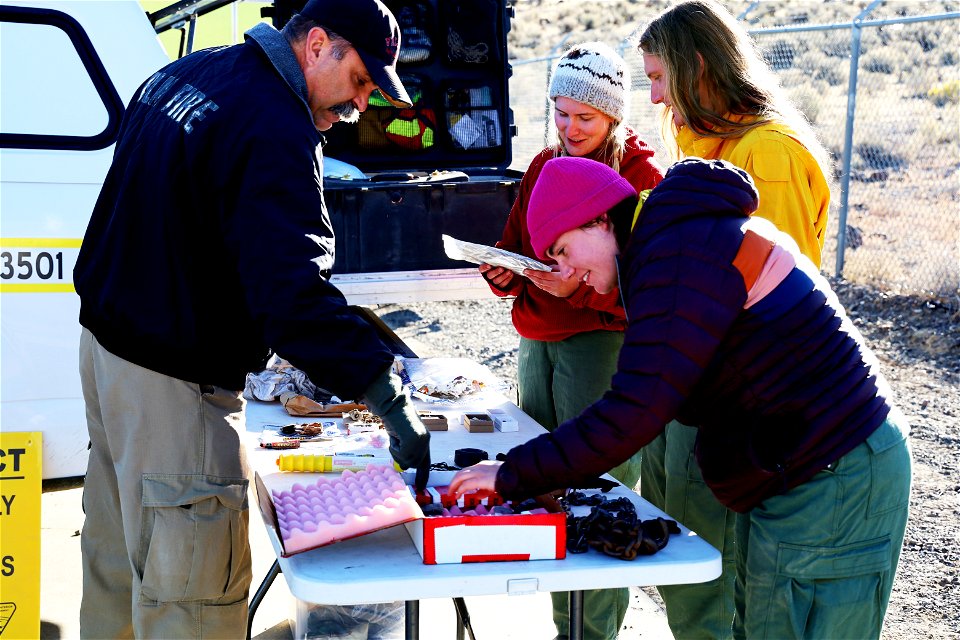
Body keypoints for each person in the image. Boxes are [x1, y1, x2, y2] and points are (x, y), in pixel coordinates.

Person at [73, 1, 430, 637]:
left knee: (120, 571)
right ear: (318, 44)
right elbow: (289, 295)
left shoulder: (195, 70)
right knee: (190, 596)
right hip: (171, 384)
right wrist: (381, 383)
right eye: (359, 82)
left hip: (108, 356)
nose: (361, 105)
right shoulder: (273, 123)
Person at [449, 156, 912, 640]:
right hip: (804, 468)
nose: (563, 269)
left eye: (563, 249)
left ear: (600, 218)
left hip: (837, 472)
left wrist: (512, 474)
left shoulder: (674, 256)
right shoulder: (670, 244)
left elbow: (633, 411)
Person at [635, 2, 834, 636]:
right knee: (685, 562)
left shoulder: (767, 154)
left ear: (697, 67)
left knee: (718, 580)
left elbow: (770, 305)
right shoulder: (706, 152)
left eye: (661, 79)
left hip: (735, 401)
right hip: (694, 389)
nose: (657, 100)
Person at [478, 41, 663, 640]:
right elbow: (518, 247)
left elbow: (645, 294)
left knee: (597, 487)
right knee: (541, 479)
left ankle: (592, 630)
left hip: (599, 346)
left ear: (614, 116)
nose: (570, 127)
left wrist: (574, 294)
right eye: (561, 112)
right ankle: (562, 617)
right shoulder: (541, 164)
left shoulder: (640, 177)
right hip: (538, 342)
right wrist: (505, 274)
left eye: (585, 117)